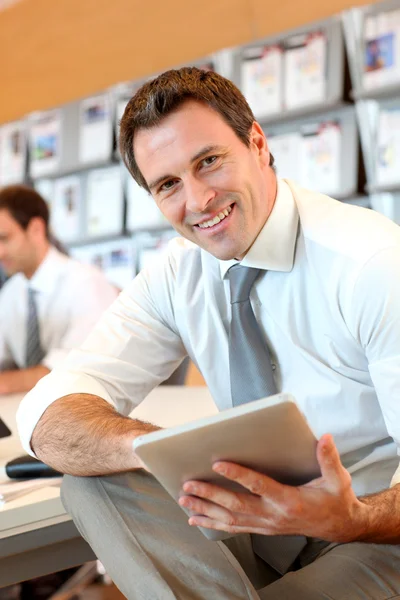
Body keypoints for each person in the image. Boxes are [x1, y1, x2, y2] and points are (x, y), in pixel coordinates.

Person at [16, 68, 400, 599]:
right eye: (168, 184)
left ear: (257, 143)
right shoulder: (178, 273)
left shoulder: (372, 263)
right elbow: (44, 414)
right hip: (249, 522)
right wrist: (159, 447)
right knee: (94, 482)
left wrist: (350, 517)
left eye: (209, 161)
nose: (197, 201)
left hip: (371, 530)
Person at [0, 184, 118, 395]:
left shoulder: (86, 283)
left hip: (86, 409)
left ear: (36, 229)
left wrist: (8, 383)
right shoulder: (10, 294)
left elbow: (73, 370)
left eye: (4, 239)